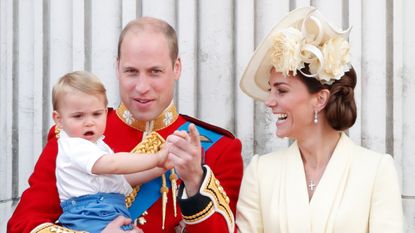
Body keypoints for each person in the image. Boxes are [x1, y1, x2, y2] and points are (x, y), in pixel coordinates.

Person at [8, 17, 244, 233]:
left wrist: (195, 181)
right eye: (131, 71)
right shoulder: (73, 134)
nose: (142, 86)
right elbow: (22, 225)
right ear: (117, 67)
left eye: (155, 72)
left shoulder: (219, 149)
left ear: (177, 68)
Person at [236, 6, 403, 233]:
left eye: (281, 91)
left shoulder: (376, 171)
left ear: (320, 99)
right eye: (270, 90)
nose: (269, 102)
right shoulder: (261, 172)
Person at [51, 71, 173, 232]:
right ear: (59, 119)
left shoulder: (97, 146)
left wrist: (161, 167)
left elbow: (124, 180)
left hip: (107, 210)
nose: (89, 122)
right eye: (78, 116)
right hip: (91, 213)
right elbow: (114, 164)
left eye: (97, 114)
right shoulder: (74, 146)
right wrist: (156, 158)